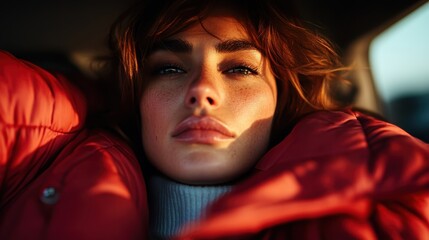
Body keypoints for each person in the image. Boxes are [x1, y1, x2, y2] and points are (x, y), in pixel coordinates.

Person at [1, 0, 428, 240]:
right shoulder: (29, 172)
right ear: (135, 98)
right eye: (168, 68)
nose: (201, 89)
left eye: (240, 68)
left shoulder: (388, 208)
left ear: (282, 101)